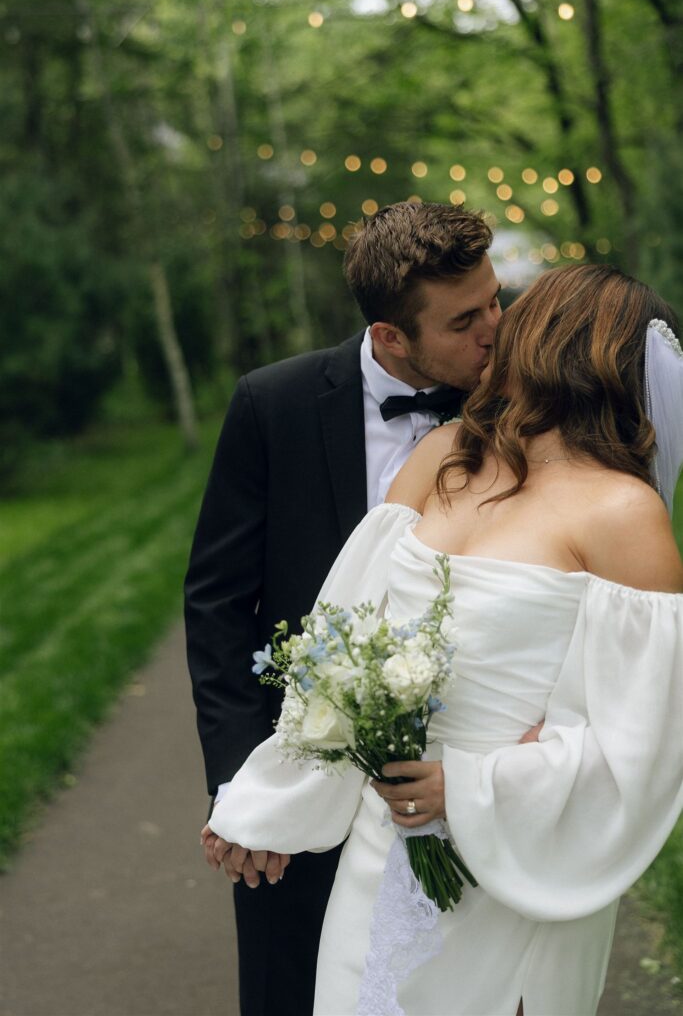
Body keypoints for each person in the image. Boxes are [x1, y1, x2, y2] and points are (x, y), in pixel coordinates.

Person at [206, 263, 683, 1016]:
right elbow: (342, 637)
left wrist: (466, 787)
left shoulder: (624, 514)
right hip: (381, 842)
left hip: (515, 859)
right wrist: (266, 807)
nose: (500, 326)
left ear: (560, 347)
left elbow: (642, 748)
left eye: (519, 314)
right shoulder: (446, 454)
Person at [184, 201, 502, 1016]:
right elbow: (218, 602)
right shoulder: (273, 404)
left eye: (494, 302)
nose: (494, 332)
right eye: (465, 320)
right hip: (308, 768)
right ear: (391, 337)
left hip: (461, 779)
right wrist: (241, 784)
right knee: (288, 987)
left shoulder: (521, 404)